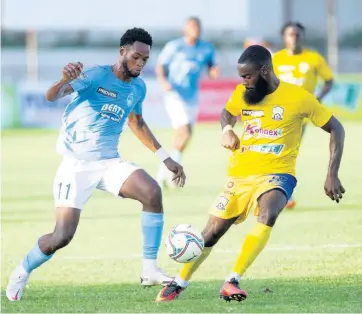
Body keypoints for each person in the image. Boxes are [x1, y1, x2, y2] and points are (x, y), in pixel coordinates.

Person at [6, 28, 186, 301]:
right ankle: (22, 270)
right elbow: (52, 96)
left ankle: (149, 269)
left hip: (109, 162)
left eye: (145, 60)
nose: (139, 64)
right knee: (62, 236)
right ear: (122, 52)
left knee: (152, 192)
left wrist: (165, 157)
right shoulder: (95, 76)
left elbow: (136, 122)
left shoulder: (138, 86)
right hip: (76, 165)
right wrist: (64, 79)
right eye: (136, 57)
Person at [155, 45, 345, 303]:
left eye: (248, 76)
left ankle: (232, 280)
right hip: (240, 175)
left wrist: (332, 173)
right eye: (241, 77)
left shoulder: (299, 97)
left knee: (269, 212)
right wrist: (226, 130)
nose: (243, 82)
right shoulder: (242, 93)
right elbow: (226, 113)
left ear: (265, 71)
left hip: (278, 172)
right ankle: (179, 282)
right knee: (212, 232)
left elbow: (336, 128)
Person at [273, 22, 334, 209]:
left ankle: (282, 193)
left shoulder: (313, 58)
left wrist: (317, 99)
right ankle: (274, 192)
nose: (294, 38)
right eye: (290, 34)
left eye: (297, 35)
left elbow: (329, 81)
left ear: (302, 37)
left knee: (286, 153)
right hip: (277, 113)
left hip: (300, 114)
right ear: (284, 37)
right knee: (275, 151)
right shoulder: (276, 59)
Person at [155, 16, 219, 187]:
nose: (195, 30)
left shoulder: (206, 48)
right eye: (192, 26)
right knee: (186, 131)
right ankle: (174, 172)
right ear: (185, 29)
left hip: (192, 96)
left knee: (182, 136)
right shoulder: (175, 46)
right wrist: (163, 82)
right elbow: (160, 65)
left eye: (197, 26)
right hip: (175, 94)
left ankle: (163, 174)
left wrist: (214, 72)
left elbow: (211, 66)